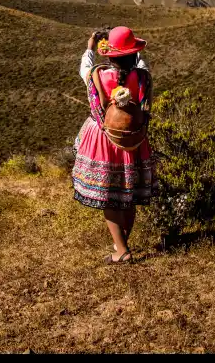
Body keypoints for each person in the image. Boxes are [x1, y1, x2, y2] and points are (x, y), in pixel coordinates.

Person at [71, 26, 158, 264]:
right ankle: (122, 242)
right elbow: (142, 65)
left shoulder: (98, 75)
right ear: (133, 53)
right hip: (133, 139)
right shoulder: (142, 76)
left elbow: (84, 69)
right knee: (127, 193)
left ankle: (121, 250)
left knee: (109, 195)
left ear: (108, 54)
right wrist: (131, 49)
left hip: (104, 138)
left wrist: (90, 47)